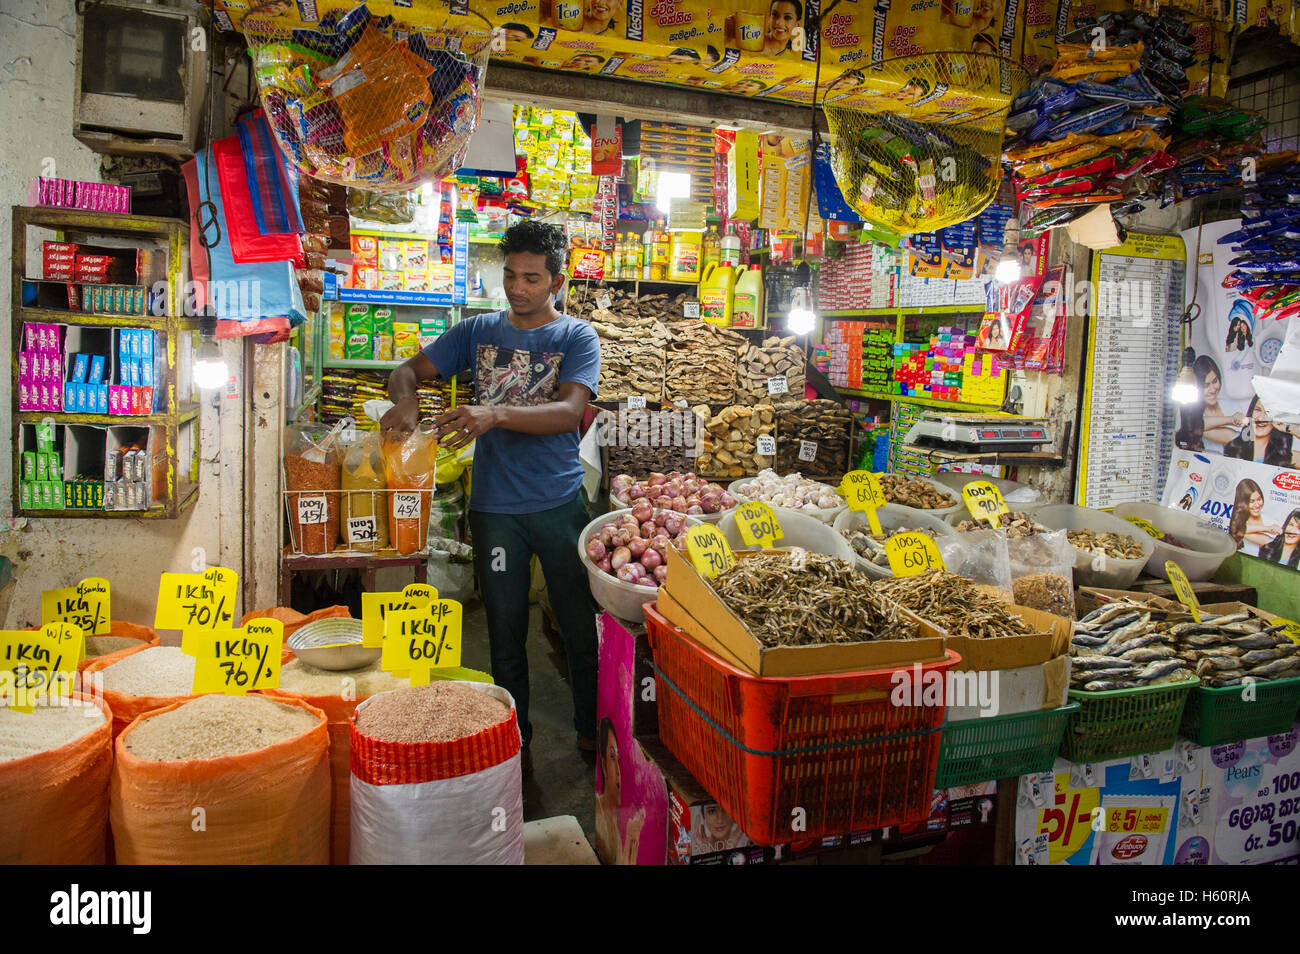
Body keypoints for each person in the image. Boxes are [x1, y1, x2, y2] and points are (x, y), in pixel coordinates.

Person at [382, 220, 602, 767]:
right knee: (504, 633)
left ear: (556, 280)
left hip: (558, 504)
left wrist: (495, 413)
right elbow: (406, 370)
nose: (517, 288)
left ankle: (592, 732)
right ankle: (513, 741)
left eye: (531, 278)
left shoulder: (575, 337)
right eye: (509, 275)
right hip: (495, 510)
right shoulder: (475, 331)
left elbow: (571, 412)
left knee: (579, 627)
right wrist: (406, 400)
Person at [594, 717, 645, 863]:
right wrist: (630, 838)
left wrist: (633, 839)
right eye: (612, 757)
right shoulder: (600, 812)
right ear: (603, 764)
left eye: (619, 760)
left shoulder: (615, 815)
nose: (618, 770)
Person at [1176, 354, 1246, 452]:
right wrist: (1231, 419)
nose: (1212, 389)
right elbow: (1194, 424)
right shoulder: (1190, 412)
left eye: (1215, 381)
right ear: (1197, 386)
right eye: (1206, 385)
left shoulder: (1233, 406)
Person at [1223, 395, 1300, 468]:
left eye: (1268, 412)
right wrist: (1231, 419)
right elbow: (1210, 428)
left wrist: (1289, 428)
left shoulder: (1285, 455)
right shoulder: (1234, 441)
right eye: (1257, 410)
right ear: (1251, 412)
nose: (1260, 418)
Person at [1226, 478, 1281, 555]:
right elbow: (1239, 530)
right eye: (1252, 501)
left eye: (1259, 499)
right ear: (1243, 503)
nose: (1257, 505)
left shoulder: (1270, 520)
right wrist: (1267, 528)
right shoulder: (1236, 521)